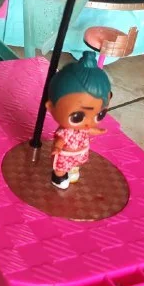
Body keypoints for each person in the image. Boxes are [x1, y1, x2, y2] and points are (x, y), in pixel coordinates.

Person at [46, 51, 112, 190]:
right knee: (61, 167)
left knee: (75, 164)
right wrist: (57, 147)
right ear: (51, 107)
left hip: (78, 152)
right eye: (77, 117)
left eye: (100, 114)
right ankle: (58, 177)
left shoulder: (85, 128)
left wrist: (98, 131)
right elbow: (60, 139)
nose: (88, 122)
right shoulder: (66, 131)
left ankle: (72, 170)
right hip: (66, 153)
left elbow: (90, 130)